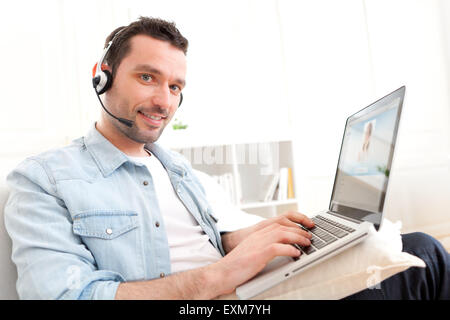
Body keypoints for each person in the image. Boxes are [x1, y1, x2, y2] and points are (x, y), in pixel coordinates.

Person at [4, 17, 449, 300]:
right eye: (147, 77)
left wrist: (268, 237)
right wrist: (223, 274)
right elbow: (65, 296)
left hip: (253, 288)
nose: (164, 101)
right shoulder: (43, 179)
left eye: (176, 87)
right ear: (102, 78)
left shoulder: (173, 166)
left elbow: (217, 234)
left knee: (423, 248)